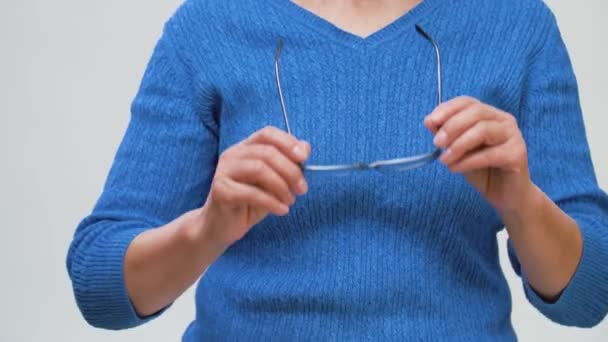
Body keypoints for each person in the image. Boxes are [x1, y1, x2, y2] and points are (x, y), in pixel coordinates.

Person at [66, 0, 608, 340]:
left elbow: (591, 293)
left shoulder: (517, 24)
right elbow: (102, 287)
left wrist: (523, 203)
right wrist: (207, 229)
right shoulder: (210, 25)